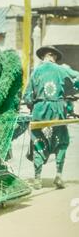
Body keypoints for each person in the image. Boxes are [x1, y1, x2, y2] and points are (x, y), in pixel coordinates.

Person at [24, 45, 79, 190]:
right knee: (62, 140)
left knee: (38, 142)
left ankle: (37, 179)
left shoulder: (36, 71)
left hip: (40, 110)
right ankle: (59, 176)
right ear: (53, 57)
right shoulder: (61, 70)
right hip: (57, 111)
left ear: (43, 57)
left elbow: (28, 96)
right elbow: (77, 78)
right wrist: (68, 94)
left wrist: (32, 105)